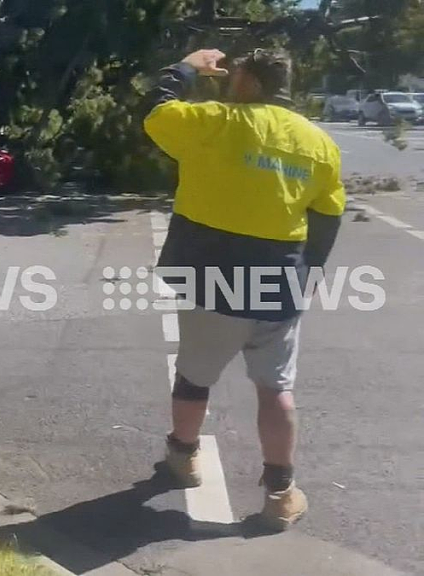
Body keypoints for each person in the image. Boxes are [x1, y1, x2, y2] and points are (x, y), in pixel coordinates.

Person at [144, 48, 345, 530]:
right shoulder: (318, 143)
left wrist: (189, 67)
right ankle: (280, 494)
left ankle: (184, 457)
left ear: (251, 84)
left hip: (214, 278)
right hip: (280, 280)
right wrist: (307, 277)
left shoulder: (214, 122)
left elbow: (155, 108)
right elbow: (327, 217)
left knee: (194, 376)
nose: (229, 83)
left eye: (235, 76)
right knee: (276, 387)